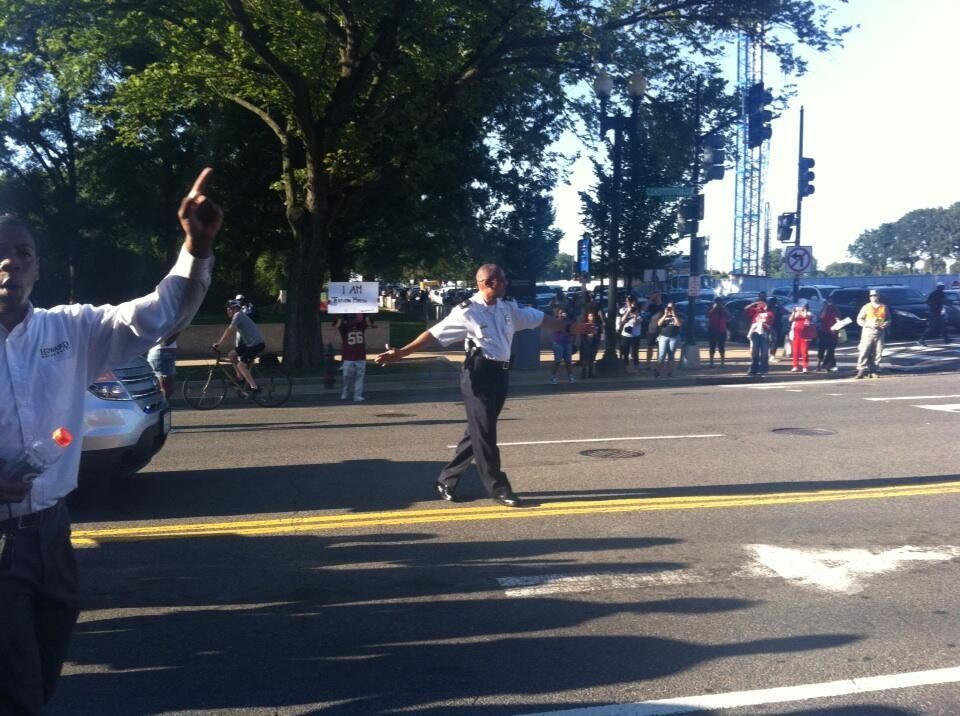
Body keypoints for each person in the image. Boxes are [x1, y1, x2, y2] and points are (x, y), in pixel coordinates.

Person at [0, 168, 221, 714]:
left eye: (23, 252)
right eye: (0, 252)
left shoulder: (68, 330)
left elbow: (155, 315)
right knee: (17, 685)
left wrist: (195, 246)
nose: (11, 261)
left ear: (37, 267)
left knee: (48, 659)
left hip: (51, 533)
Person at [374, 263, 594, 508]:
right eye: (502, 280)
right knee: (486, 433)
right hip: (477, 377)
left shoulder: (508, 308)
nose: (507, 283)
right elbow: (434, 334)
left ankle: (446, 479)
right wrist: (402, 352)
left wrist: (571, 328)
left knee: (477, 432)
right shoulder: (467, 311)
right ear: (488, 283)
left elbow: (540, 318)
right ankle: (498, 487)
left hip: (500, 375)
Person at [213, 297, 265, 394]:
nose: (227, 311)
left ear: (235, 308)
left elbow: (230, 330)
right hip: (249, 344)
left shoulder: (238, 315)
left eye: (229, 309)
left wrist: (219, 343)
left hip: (256, 345)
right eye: (227, 309)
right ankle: (240, 378)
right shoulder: (238, 315)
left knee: (241, 365)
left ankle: (255, 387)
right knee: (232, 354)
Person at [334, 313, 375, 401]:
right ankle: (346, 390)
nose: (352, 318)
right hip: (348, 356)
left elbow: (368, 322)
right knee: (346, 376)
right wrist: (341, 315)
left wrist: (366, 313)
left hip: (360, 355)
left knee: (360, 376)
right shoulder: (344, 327)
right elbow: (337, 325)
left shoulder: (361, 326)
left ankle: (358, 394)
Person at [856, 289, 888, 379]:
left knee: (877, 352)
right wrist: (868, 324)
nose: (873, 297)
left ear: (878, 296)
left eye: (875, 295)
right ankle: (861, 370)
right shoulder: (866, 307)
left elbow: (889, 319)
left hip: (880, 333)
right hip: (868, 332)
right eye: (871, 295)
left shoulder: (883, 307)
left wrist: (885, 324)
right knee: (864, 351)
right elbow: (859, 319)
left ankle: (873, 370)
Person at [744, 296, 773, 376]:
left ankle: (763, 369)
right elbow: (746, 309)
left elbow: (770, 321)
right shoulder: (754, 312)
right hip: (755, 333)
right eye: (760, 304)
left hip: (764, 333)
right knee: (754, 352)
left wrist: (765, 309)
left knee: (764, 353)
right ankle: (753, 369)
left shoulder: (769, 313)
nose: (761, 305)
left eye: (763, 303)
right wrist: (753, 304)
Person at [146, 332, 180, 397]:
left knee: (159, 383)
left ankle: (162, 403)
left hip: (158, 350)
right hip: (168, 349)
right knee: (167, 381)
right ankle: (165, 402)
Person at [654, 303, 682, 377]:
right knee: (661, 355)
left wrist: (674, 315)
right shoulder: (662, 314)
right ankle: (658, 371)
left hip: (674, 337)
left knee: (671, 355)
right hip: (663, 337)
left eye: (671, 307)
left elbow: (679, 324)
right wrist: (665, 315)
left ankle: (669, 372)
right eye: (668, 307)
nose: (670, 308)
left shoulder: (677, 314)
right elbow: (659, 324)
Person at [789, 299, 814, 373]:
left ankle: (805, 366)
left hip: (805, 334)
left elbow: (807, 317)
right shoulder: (796, 313)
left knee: (804, 351)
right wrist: (793, 312)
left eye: (802, 305)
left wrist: (802, 311)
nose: (800, 307)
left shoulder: (809, 313)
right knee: (795, 351)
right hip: (795, 334)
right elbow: (790, 319)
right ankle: (795, 365)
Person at [550, 309, 575, 384]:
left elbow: (572, 331)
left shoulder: (568, 322)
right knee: (557, 361)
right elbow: (559, 331)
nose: (563, 314)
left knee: (568, 361)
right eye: (561, 313)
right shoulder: (556, 322)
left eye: (564, 312)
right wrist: (567, 332)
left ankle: (570, 376)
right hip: (558, 344)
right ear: (558, 314)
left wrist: (572, 339)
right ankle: (553, 377)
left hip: (567, 343)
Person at [817, 297, 841, 372]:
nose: (829, 304)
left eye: (831, 302)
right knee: (823, 349)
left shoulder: (835, 311)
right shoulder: (825, 310)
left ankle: (827, 365)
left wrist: (838, 323)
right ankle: (822, 365)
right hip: (825, 332)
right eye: (828, 302)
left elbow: (838, 321)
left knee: (829, 350)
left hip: (831, 333)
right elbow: (821, 318)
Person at [616, 295, 640, 370]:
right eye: (626, 301)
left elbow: (637, 322)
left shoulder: (638, 309)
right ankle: (625, 367)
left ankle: (636, 367)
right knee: (625, 351)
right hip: (625, 333)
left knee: (635, 352)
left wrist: (635, 314)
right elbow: (622, 320)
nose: (627, 303)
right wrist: (628, 310)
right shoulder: (623, 309)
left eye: (629, 301)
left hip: (635, 333)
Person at [643, 291, 665, 370]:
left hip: (660, 331)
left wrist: (658, 299)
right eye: (655, 296)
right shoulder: (651, 306)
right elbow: (644, 308)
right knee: (649, 348)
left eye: (657, 296)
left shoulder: (663, 306)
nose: (656, 298)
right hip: (651, 330)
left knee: (660, 348)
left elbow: (663, 311)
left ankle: (658, 365)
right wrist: (650, 299)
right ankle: (647, 364)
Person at [579, 309, 602, 378]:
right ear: (587, 317)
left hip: (594, 342)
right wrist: (584, 342)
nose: (592, 317)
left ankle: (590, 372)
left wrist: (597, 339)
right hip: (586, 343)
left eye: (593, 316)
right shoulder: (584, 325)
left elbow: (600, 333)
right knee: (585, 358)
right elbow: (582, 335)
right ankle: (583, 372)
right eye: (590, 316)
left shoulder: (597, 325)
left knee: (592, 358)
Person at [707, 297, 728, 368]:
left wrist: (723, 309)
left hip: (722, 330)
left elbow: (728, 316)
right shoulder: (711, 309)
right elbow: (707, 315)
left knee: (721, 347)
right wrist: (713, 308)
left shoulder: (723, 309)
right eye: (717, 302)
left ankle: (722, 362)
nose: (719, 304)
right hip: (713, 330)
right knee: (712, 347)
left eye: (720, 302)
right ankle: (711, 362)